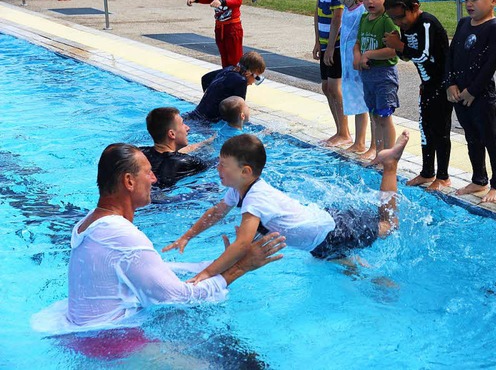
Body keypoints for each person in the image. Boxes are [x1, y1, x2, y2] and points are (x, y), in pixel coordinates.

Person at [31, 143, 286, 332]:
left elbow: (152, 276)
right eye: (149, 172)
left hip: (85, 333)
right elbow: (180, 297)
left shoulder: (90, 222)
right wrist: (242, 266)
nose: (154, 179)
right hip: (112, 344)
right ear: (129, 181)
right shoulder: (122, 236)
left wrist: (222, 264)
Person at [163, 130, 411, 283]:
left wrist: (207, 273)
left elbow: (241, 245)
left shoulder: (254, 200)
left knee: (389, 224)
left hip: (332, 231)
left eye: (222, 165)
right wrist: (187, 236)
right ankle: (376, 281)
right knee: (342, 264)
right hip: (320, 238)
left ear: (245, 171)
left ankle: (390, 165)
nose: (217, 169)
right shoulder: (239, 188)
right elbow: (216, 212)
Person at [383, 0, 452, 190]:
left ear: (415, 7)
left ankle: (443, 176)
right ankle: (427, 172)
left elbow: (424, 55)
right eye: (394, 19)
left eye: (401, 17)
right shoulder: (407, 27)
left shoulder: (427, 24)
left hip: (442, 85)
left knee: (440, 131)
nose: (399, 23)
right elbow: (406, 56)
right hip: (427, 85)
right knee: (425, 129)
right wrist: (398, 46)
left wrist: (400, 46)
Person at [445, 0, 496, 203]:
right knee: (472, 138)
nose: (469, 4)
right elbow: (450, 56)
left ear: (494, 0)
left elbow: (491, 63)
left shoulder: (494, 27)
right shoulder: (463, 24)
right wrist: (450, 83)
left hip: (480, 95)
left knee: (491, 138)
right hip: (459, 93)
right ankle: (479, 178)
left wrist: (473, 90)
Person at [329, 0, 375, 159]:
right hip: (349, 65)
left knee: (369, 106)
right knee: (357, 104)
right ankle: (359, 142)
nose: (339, 1)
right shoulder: (349, 9)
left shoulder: (361, 12)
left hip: (360, 66)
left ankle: (372, 145)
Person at [354, 0, 400, 157]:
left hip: (384, 76)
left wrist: (370, 54)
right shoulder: (365, 18)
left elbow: (393, 49)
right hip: (368, 76)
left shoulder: (387, 20)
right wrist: (357, 55)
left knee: (384, 116)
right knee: (374, 115)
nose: (369, 1)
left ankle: (388, 157)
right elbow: (358, 42)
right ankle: (379, 154)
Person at [307, 0, 350, 147]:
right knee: (325, 87)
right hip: (325, 41)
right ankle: (338, 130)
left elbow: (338, 17)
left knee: (334, 87)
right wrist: (318, 40)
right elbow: (318, 9)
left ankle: (345, 132)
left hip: (338, 43)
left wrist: (331, 47)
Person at [140, 107, 212, 188]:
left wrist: (204, 143)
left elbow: (169, 155)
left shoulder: (140, 153)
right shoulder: (189, 162)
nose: (187, 128)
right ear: (172, 134)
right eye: (182, 124)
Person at [185, 51, 265, 123]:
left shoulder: (228, 69)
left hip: (196, 113)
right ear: (248, 73)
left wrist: (210, 98)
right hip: (207, 122)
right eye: (256, 78)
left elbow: (205, 79)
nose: (253, 83)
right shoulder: (241, 81)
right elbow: (238, 110)